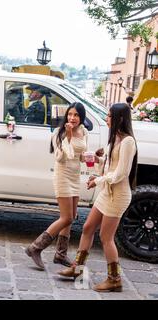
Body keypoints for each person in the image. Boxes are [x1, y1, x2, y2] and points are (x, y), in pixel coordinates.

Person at [58, 103, 138, 293]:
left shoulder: (128, 142)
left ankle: (114, 279)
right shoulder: (114, 140)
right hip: (107, 192)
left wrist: (98, 180)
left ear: (119, 118)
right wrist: (96, 160)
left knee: (106, 238)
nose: (106, 119)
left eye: (109, 116)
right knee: (87, 228)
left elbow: (121, 173)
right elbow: (110, 166)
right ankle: (77, 269)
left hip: (118, 195)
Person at [25, 103, 88, 269]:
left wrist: (93, 156)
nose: (72, 118)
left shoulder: (83, 131)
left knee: (72, 216)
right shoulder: (58, 133)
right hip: (62, 176)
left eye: (76, 115)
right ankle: (35, 247)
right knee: (66, 217)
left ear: (81, 117)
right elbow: (61, 158)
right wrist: (67, 136)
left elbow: (80, 156)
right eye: (69, 114)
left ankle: (60, 254)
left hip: (75, 177)